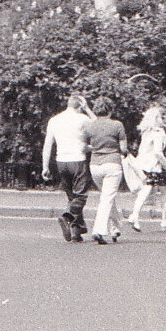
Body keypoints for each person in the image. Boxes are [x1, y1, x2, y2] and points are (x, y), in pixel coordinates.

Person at [41, 93, 93, 243]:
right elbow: (99, 128)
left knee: (71, 196)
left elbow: (47, 145)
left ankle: (77, 230)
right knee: (81, 196)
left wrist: (45, 166)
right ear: (80, 105)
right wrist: (88, 109)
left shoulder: (54, 120)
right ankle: (67, 216)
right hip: (78, 160)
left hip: (61, 161)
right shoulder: (83, 119)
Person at [83, 97, 128, 245]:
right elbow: (123, 149)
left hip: (95, 166)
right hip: (112, 164)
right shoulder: (117, 125)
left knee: (108, 196)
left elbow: (84, 147)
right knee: (107, 198)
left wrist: (95, 147)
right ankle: (99, 230)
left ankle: (114, 228)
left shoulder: (90, 126)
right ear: (110, 110)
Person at [125, 102, 166, 232]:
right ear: (156, 119)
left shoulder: (146, 132)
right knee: (165, 192)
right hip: (155, 166)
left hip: (143, 165)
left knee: (144, 191)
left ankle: (134, 215)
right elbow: (158, 152)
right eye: (160, 117)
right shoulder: (159, 132)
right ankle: (164, 219)